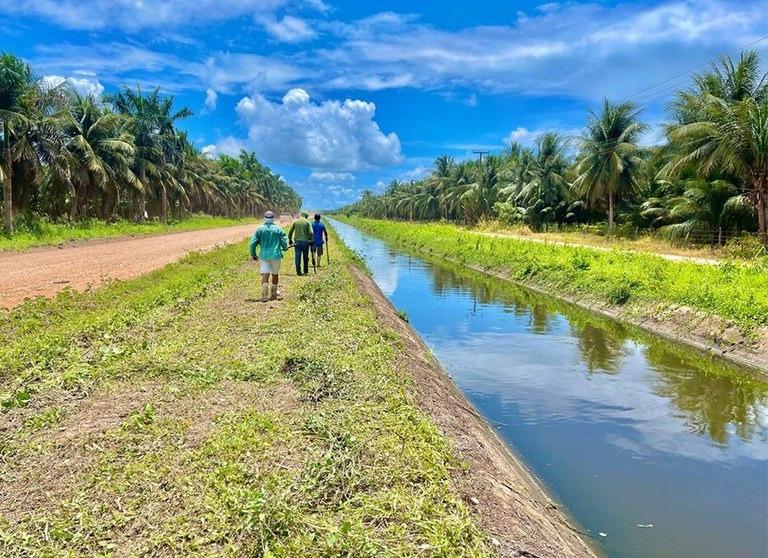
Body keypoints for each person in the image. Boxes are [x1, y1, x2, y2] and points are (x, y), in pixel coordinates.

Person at [250, 210, 289, 302]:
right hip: (276, 255)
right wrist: (285, 247)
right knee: (275, 274)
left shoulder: (259, 229)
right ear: (273, 218)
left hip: (264, 256)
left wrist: (253, 254)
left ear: (264, 218)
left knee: (265, 274)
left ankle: (264, 296)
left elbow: (252, 243)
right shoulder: (278, 229)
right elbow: (284, 242)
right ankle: (274, 293)